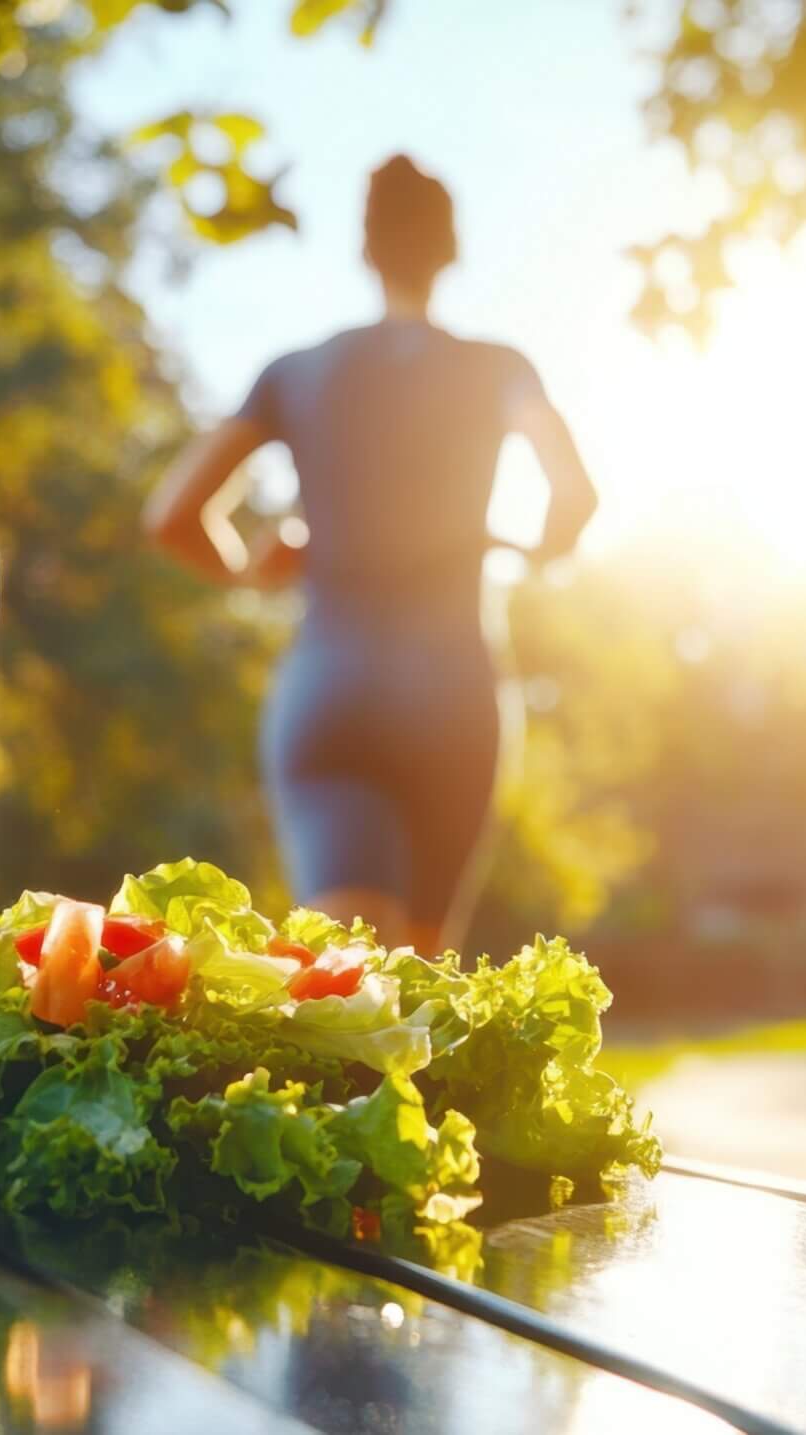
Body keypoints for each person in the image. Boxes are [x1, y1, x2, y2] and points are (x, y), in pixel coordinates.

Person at [142, 155, 598, 955]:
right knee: (414, 1003)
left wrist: (253, 567)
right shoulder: (499, 368)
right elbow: (574, 495)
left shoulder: (296, 372)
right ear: (449, 250)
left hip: (330, 688)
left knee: (343, 989)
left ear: (366, 249)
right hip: (452, 692)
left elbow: (173, 515)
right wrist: (529, 548)